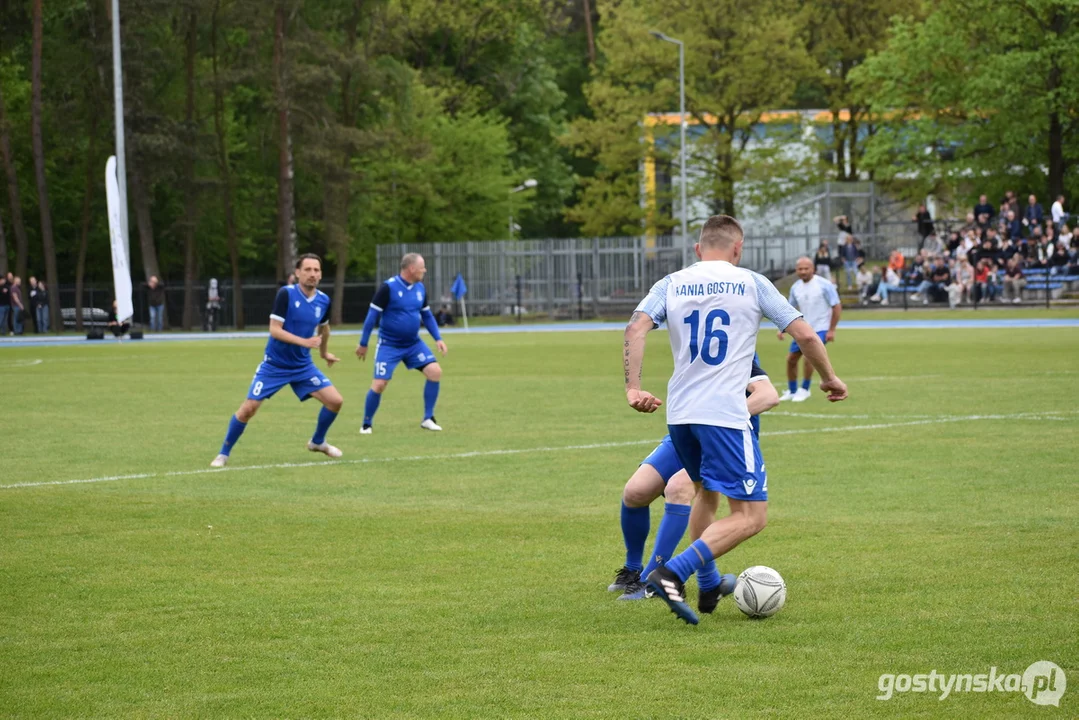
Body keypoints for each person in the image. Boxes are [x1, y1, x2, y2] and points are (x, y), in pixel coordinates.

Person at [623, 214, 847, 625]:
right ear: (738, 249)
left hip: (681, 415)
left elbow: (636, 328)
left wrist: (633, 388)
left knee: (706, 495)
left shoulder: (670, 283)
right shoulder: (751, 282)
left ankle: (707, 583)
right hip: (725, 416)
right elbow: (807, 336)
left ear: (697, 249)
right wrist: (830, 378)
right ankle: (671, 572)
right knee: (751, 517)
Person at [610, 357, 777, 605]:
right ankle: (635, 571)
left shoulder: (734, 350)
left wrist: (723, 420)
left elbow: (768, 395)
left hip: (723, 441)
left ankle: (652, 580)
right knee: (636, 491)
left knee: (679, 488)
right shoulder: (691, 348)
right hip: (685, 433)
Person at [210, 254, 343, 468]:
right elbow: (274, 330)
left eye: (316, 270)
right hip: (275, 365)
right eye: (307, 270)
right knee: (248, 409)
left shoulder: (324, 300)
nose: (312, 274)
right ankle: (223, 454)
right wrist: (304, 342)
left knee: (335, 401)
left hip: (302, 366)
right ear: (297, 273)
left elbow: (324, 329)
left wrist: (324, 353)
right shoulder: (286, 294)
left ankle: (317, 442)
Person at [356, 253, 448, 433]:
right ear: (412, 268)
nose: (425, 270)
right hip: (389, 344)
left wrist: (438, 338)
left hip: (413, 344)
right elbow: (371, 317)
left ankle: (428, 418)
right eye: (422, 267)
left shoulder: (420, 288)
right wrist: (363, 343)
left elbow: (427, 315)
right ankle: (366, 424)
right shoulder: (388, 288)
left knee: (435, 371)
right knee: (380, 384)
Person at [778, 256, 841, 402]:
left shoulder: (824, 285)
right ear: (796, 271)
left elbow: (836, 306)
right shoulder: (796, 287)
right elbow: (789, 308)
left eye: (806, 268)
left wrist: (831, 329)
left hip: (821, 328)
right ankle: (792, 390)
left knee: (809, 358)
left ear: (813, 269)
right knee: (791, 360)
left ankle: (804, 389)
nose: (803, 271)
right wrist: (781, 328)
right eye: (800, 269)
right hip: (803, 329)